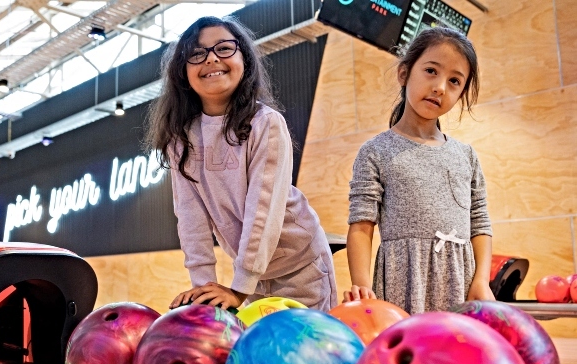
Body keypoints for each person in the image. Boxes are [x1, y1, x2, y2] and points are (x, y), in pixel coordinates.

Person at [145, 16, 336, 311]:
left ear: (243, 59)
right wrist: (202, 289)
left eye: (223, 48)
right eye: (196, 54)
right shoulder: (181, 138)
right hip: (249, 278)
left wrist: (239, 287)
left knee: (308, 353)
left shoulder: (266, 123)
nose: (210, 59)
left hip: (300, 267)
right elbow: (190, 217)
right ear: (182, 72)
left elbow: (264, 207)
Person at [344, 27, 495, 314]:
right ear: (404, 74)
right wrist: (363, 288)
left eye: (454, 81)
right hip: (403, 282)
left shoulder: (466, 155)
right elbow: (361, 225)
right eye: (431, 71)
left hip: (460, 282)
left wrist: (481, 281)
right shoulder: (375, 151)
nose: (440, 87)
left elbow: (480, 223)